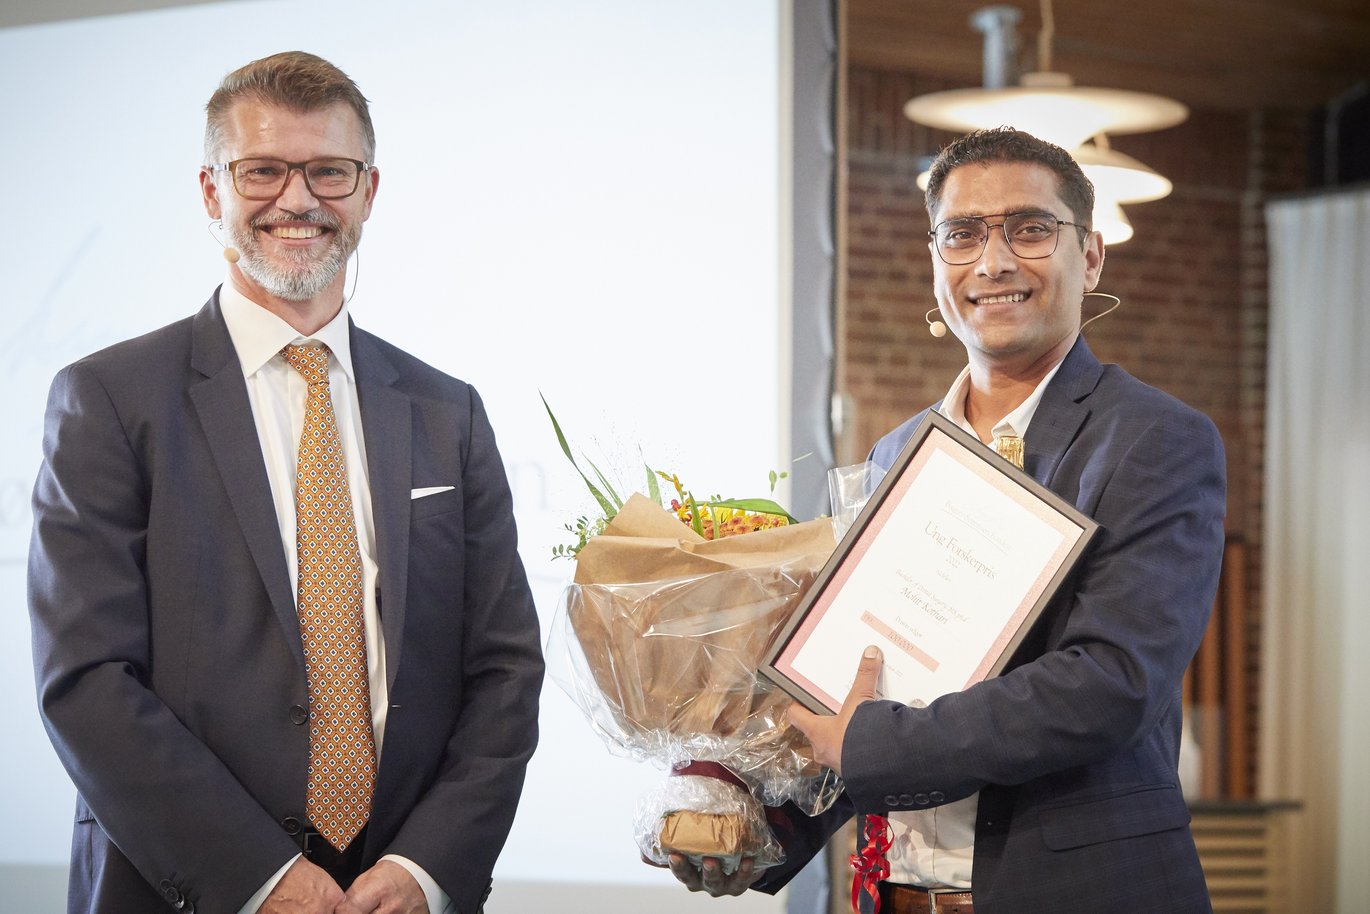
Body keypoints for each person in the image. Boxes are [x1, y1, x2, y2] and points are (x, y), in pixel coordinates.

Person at [28, 51, 544, 914]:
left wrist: (425, 868)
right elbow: (87, 680)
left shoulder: (447, 413)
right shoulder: (111, 400)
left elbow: (503, 671)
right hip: (182, 892)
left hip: (397, 895)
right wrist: (259, 878)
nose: (298, 199)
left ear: (369, 191)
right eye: (262, 170)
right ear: (210, 191)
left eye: (328, 171)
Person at [665, 127, 1225, 912]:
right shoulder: (896, 456)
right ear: (936, 261)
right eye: (962, 234)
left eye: (1029, 229)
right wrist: (746, 818)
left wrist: (867, 741)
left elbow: (1111, 684)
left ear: (1090, 256)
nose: (993, 262)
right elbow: (856, 693)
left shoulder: (1154, 439)